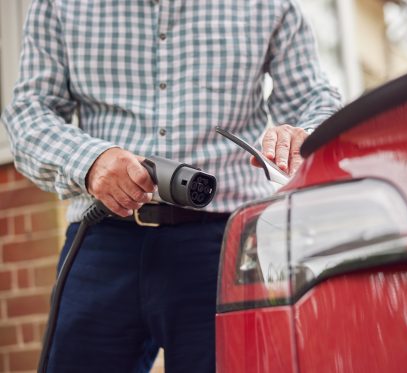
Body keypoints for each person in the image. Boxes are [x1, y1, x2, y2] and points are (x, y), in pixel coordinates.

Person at [2, 0, 341, 372]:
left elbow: (315, 99)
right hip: (101, 236)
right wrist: (90, 161)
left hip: (227, 244)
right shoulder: (60, 5)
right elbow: (29, 113)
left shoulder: (268, 5)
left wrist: (300, 137)